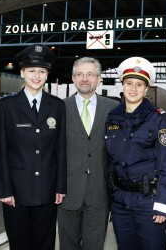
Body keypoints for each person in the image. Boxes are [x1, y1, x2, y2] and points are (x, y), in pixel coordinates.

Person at [0, 44, 67, 250]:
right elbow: (0, 151)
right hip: (16, 192)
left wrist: (60, 186)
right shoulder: (6, 106)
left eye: (42, 71)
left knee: (45, 244)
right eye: (32, 70)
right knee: (19, 243)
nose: (37, 76)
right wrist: (4, 189)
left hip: (47, 190)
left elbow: (60, 150)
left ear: (47, 74)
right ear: (22, 72)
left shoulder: (57, 106)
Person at [105, 57, 166, 250]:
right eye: (129, 83)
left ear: (146, 89)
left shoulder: (159, 120)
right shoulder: (113, 118)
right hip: (120, 204)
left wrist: (163, 203)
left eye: (139, 84)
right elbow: (110, 162)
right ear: (122, 85)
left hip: (149, 204)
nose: (133, 88)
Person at [57, 57, 118, 250]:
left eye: (90, 74)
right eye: (80, 74)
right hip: (67, 192)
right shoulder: (59, 107)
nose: (85, 78)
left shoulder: (113, 108)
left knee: (94, 245)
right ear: (73, 78)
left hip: (99, 192)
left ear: (99, 79)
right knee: (68, 245)